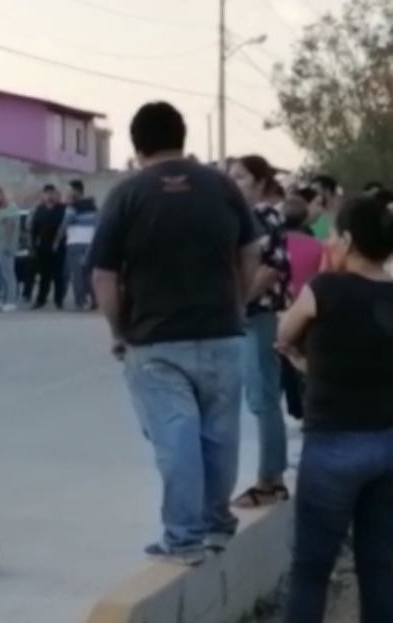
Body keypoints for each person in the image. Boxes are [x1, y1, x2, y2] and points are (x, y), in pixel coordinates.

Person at [88, 101, 259, 565]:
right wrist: (236, 304)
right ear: (182, 137)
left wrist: (118, 329)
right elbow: (251, 254)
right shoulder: (223, 187)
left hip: (156, 340)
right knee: (220, 434)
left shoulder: (128, 194)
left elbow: (103, 275)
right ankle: (218, 526)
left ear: (137, 144)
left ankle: (182, 538)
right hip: (223, 332)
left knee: (176, 435)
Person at [276, 195, 393, 623]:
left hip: (333, 446)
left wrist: (301, 358)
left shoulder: (325, 289)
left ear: (346, 239)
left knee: (311, 569)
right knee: (381, 567)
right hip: (388, 443)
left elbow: (286, 331)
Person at [228, 155, 292, 509]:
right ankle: (272, 477)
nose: (233, 183)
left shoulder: (262, 217)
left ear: (260, 182)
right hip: (253, 316)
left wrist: (237, 305)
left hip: (258, 316)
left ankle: (271, 480)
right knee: (261, 397)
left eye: (240, 177)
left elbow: (269, 270)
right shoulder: (254, 217)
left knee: (263, 398)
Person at [279, 197, 321, 421]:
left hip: (282, 306)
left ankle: (294, 404)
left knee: (285, 357)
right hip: (309, 305)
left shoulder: (276, 243)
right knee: (306, 355)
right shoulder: (317, 246)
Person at [59, 179, 100, 310]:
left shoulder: (72, 207)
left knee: (77, 274)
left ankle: (80, 302)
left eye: (68, 190)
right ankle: (94, 299)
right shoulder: (93, 206)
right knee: (89, 273)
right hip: (90, 243)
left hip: (75, 243)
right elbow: (98, 224)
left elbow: (65, 225)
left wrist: (56, 240)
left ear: (76, 191)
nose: (66, 193)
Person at [29, 184, 68, 309]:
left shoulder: (63, 209)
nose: (49, 196)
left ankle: (59, 301)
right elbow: (34, 230)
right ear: (43, 195)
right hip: (43, 247)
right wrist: (33, 245)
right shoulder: (40, 210)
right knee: (44, 276)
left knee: (59, 276)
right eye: (47, 194)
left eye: (52, 193)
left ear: (56, 195)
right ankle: (41, 300)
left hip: (60, 247)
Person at [0, 187, 22, 312]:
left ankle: (11, 300)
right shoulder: (0, 209)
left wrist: (7, 243)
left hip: (6, 244)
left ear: (0, 194)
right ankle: (4, 298)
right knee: (2, 273)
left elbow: (10, 226)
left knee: (8, 273)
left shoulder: (11, 207)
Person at [307, 174, 339, 241]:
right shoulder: (312, 214)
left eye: (315, 191)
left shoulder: (340, 214)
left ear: (327, 191)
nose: (312, 194)